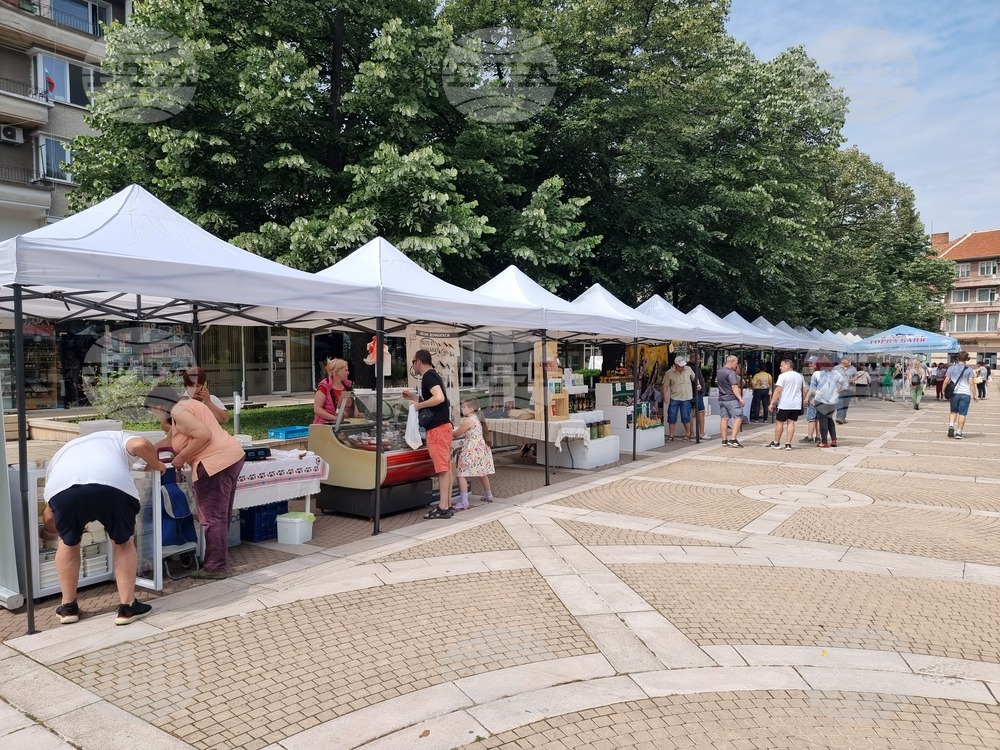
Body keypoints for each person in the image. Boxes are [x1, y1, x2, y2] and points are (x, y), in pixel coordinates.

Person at [44, 431, 166, 625]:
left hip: (63, 490)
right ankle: (127, 607)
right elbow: (141, 444)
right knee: (123, 543)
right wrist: (157, 464)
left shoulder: (64, 452)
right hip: (112, 485)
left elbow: (50, 511)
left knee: (67, 543)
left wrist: (50, 531)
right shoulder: (117, 436)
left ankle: (68, 608)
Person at [146, 386, 245, 579]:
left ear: (158, 404)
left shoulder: (178, 411)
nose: (153, 413)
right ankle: (218, 561)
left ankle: (215, 567)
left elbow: (203, 434)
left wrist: (180, 458)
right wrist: (143, 452)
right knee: (221, 514)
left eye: (151, 409)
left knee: (212, 517)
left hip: (214, 463)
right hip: (230, 456)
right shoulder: (186, 406)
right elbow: (169, 441)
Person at [404, 349, 454, 519]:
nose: (413, 365)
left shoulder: (428, 376)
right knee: (445, 468)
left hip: (438, 429)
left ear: (418, 361)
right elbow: (435, 400)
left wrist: (418, 406)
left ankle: (442, 507)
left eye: (413, 362)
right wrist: (414, 397)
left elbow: (439, 398)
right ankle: (446, 505)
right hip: (443, 428)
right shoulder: (433, 376)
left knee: (442, 469)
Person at [452, 397, 495, 509]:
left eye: (464, 407)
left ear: (471, 409)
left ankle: (464, 501)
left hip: (471, 450)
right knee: (482, 473)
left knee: (461, 474)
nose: (462, 409)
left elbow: (456, 433)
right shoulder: (478, 419)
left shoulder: (468, 421)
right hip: (481, 450)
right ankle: (488, 494)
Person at [806, 356, 847, 447]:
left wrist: (806, 398)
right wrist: (836, 391)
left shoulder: (816, 373)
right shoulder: (836, 373)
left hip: (821, 400)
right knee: (829, 419)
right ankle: (834, 440)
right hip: (833, 401)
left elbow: (812, 389)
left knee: (823, 421)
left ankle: (824, 442)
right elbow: (845, 384)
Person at [766, 359, 806, 450]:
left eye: (781, 365)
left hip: (785, 403)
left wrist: (772, 403)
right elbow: (803, 390)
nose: (780, 367)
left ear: (788, 366)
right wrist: (803, 399)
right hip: (796, 404)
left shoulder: (782, 376)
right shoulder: (800, 376)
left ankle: (776, 442)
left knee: (779, 422)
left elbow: (778, 390)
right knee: (791, 422)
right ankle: (788, 443)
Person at [943, 351, 978, 439]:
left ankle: (951, 425)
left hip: (954, 394)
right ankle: (958, 432)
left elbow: (946, 381)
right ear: (967, 359)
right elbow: (971, 384)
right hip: (965, 394)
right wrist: (975, 395)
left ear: (957, 358)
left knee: (953, 411)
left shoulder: (951, 369)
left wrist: (943, 390)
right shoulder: (969, 370)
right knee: (962, 413)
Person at [662, 355, 696, 442]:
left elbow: (695, 378)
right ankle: (671, 435)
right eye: (680, 366)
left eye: (683, 365)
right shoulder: (669, 373)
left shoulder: (688, 369)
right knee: (672, 416)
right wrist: (665, 395)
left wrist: (698, 385)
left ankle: (688, 434)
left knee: (685, 416)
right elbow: (665, 385)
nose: (682, 367)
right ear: (675, 365)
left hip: (686, 397)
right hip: (675, 397)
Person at [313, 358, 355, 424]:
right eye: (346, 370)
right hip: (324, 426)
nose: (348, 373)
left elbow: (353, 406)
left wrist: (358, 415)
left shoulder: (347, 386)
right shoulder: (324, 386)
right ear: (338, 371)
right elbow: (317, 409)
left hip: (343, 424)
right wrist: (335, 418)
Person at [717, 355, 746, 448]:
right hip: (731, 398)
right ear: (732, 361)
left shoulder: (719, 371)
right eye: (736, 363)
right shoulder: (731, 372)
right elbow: (734, 386)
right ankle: (733, 439)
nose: (736, 365)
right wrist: (740, 398)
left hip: (722, 398)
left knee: (724, 418)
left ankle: (724, 440)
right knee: (738, 417)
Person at [686, 353, 710, 438]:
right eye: (698, 359)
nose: (699, 360)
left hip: (690, 393)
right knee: (700, 411)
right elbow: (696, 379)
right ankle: (702, 433)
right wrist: (700, 387)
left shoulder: (687, 367)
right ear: (692, 358)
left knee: (690, 413)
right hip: (696, 393)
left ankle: (691, 433)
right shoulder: (692, 368)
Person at [800, 357, 821, 444]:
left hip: (813, 398)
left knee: (812, 418)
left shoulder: (814, 374)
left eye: (812, 363)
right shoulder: (825, 373)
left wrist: (807, 397)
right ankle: (818, 437)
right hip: (822, 399)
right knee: (818, 418)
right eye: (809, 363)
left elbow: (811, 388)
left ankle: (810, 437)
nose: (810, 365)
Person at [834, 358, 859, 424]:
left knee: (846, 404)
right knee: (840, 403)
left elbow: (856, 376)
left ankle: (843, 417)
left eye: (850, 361)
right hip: (839, 389)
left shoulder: (852, 368)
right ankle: (839, 417)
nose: (850, 362)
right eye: (849, 361)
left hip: (849, 389)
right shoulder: (836, 368)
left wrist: (852, 379)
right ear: (843, 361)